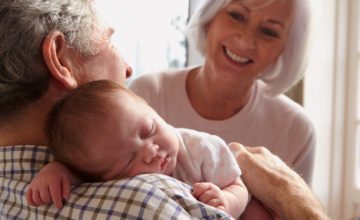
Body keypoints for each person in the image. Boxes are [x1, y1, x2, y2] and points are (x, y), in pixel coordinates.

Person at [0, 0, 328, 219]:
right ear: (61, 59)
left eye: (270, 31)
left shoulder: (14, 186)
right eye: (110, 41)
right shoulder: (154, 203)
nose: (129, 70)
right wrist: (300, 204)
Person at [129, 0, 315, 217]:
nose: (245, 41)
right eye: (237, 16)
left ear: (285, 49)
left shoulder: (296, 129)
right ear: (209, 20)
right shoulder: (148, 93)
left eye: (268, 32)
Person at [26, 80, 254, 219]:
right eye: (128, 161)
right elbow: (87, 179)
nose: (150, 151)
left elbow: (238, 185)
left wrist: (227, 200)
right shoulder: (102, 175)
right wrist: (59, 171)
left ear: (151, 108)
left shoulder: (201, 148)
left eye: (148, 130)